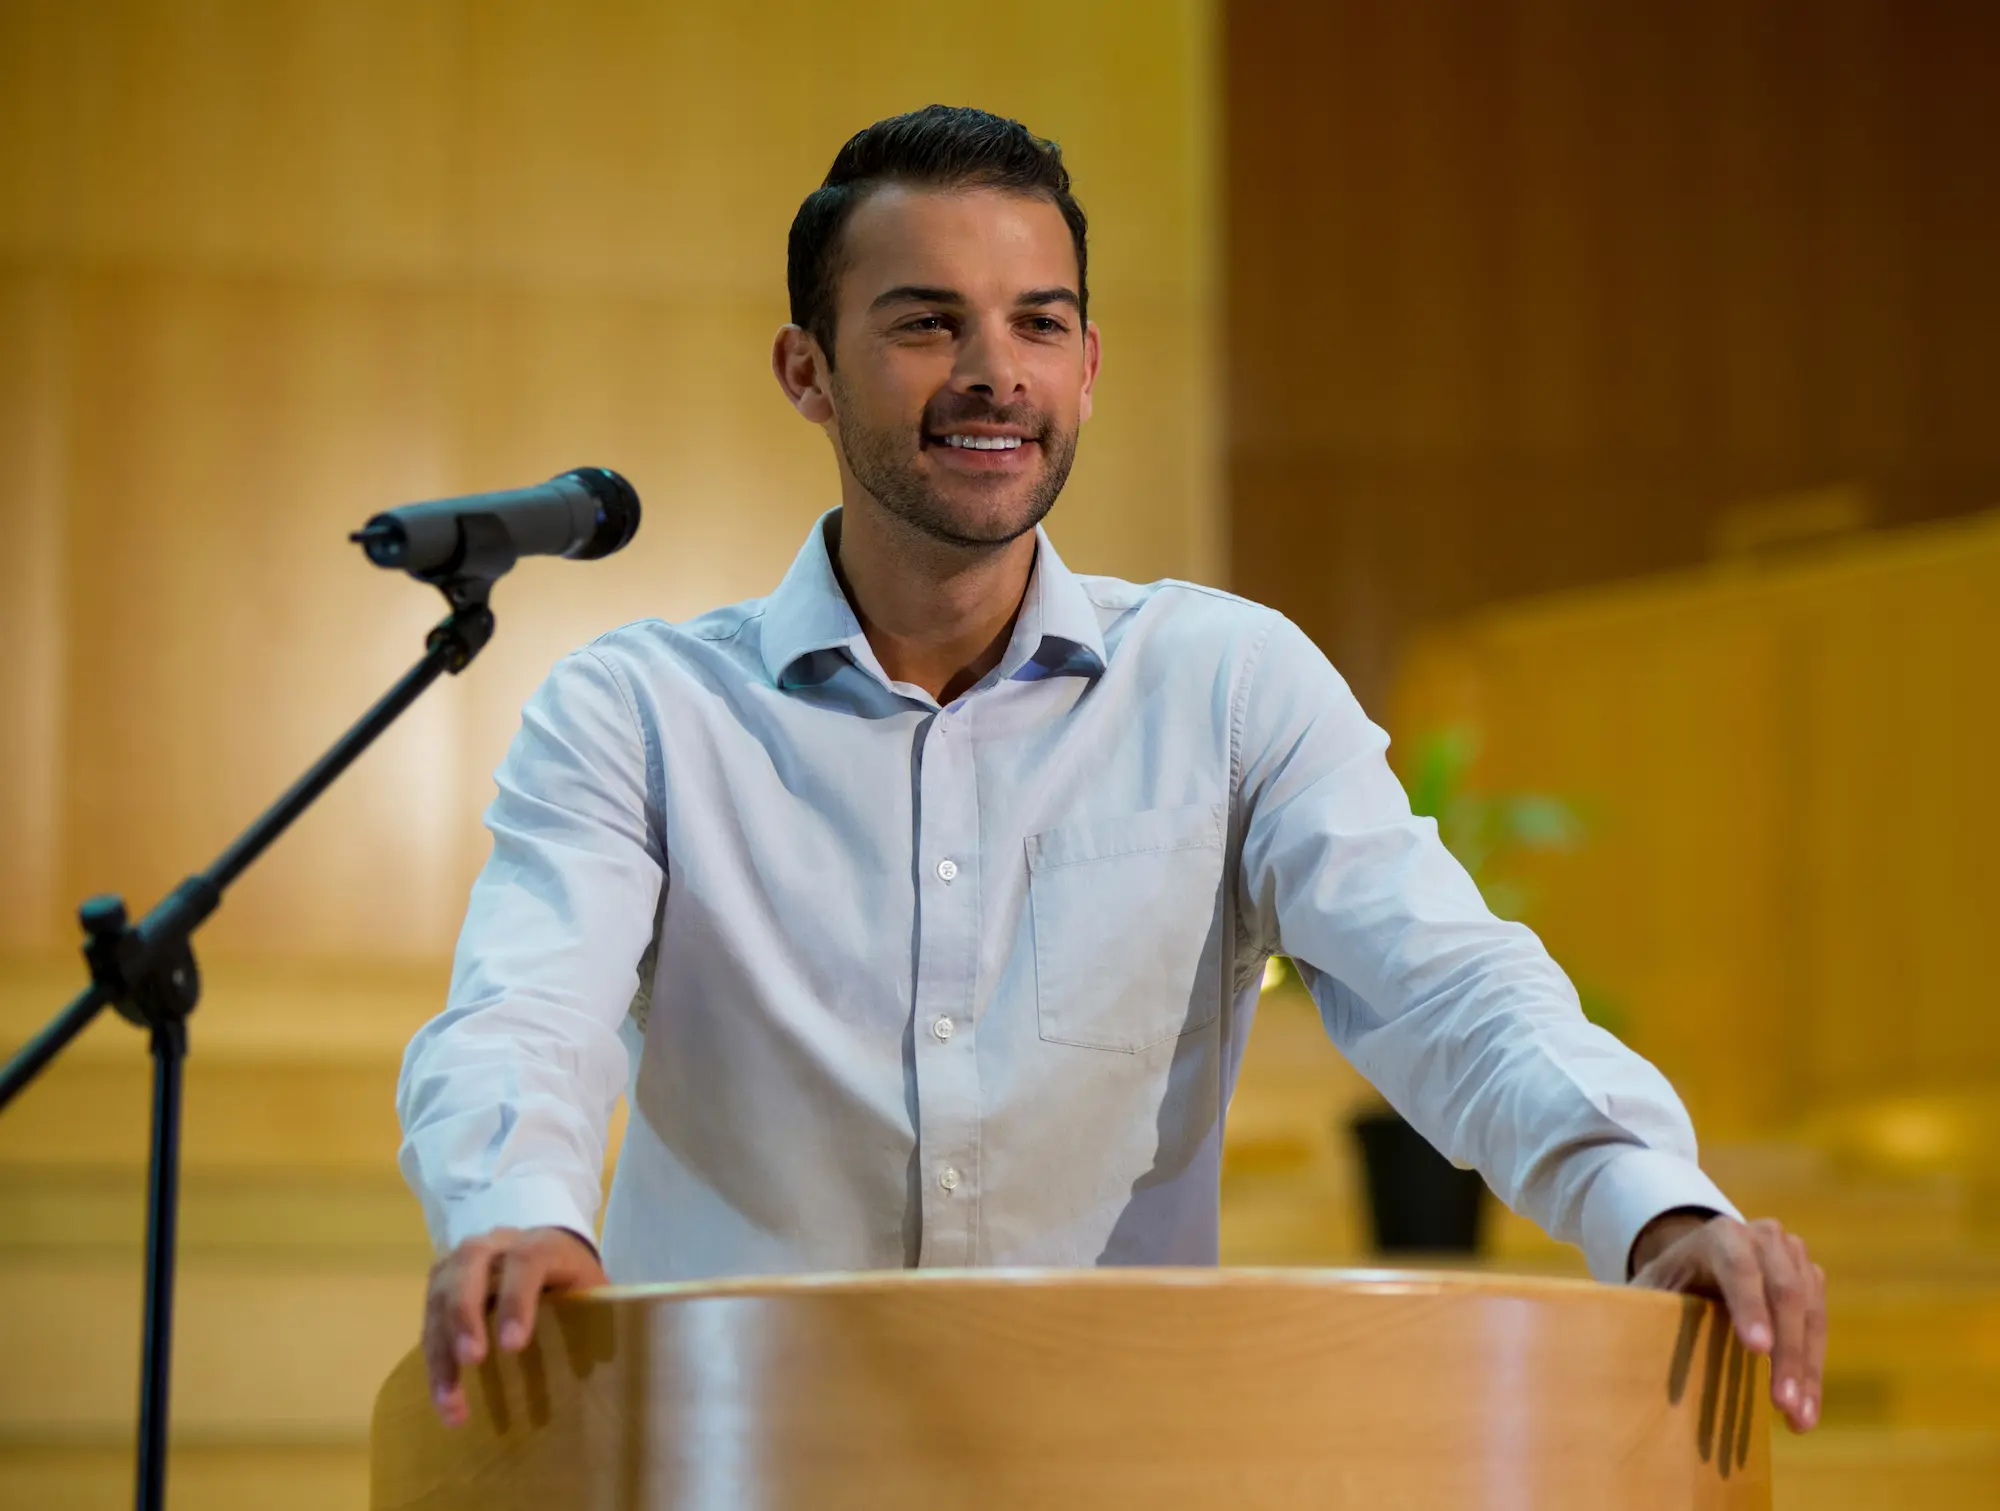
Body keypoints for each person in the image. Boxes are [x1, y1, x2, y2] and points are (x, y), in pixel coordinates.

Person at [398, 105, 1827, 1435]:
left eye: (1040, 321)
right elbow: (524, 1013)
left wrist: (1656, 1210)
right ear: (807, 371)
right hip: (735, 1448)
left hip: (1115, 1456)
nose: (993, 371)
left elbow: (1450, 987)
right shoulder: (639, 712)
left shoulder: (1227, 685)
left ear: (1088, 366)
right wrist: (519, 1207)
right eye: (925, 323)